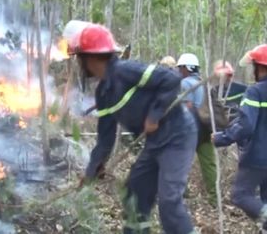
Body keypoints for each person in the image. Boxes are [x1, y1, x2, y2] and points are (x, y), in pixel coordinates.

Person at [64, 22, 199, 234]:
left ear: (89, 57)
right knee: (134, 196)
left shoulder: (125, 71)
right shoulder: (104, 93)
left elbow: (171, 79)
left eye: (80, 58)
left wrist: (154, 115)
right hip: (155, 143)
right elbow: (105, 140)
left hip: (178, 135)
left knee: (169, 200)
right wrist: (91, 170)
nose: (80, 64)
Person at [212, 44, 267, 234]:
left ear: (260, 67)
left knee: (240, 195)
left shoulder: (255, 92)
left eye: (254, 67)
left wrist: (221, 138)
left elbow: (246, 125)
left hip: (257, 157)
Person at [177, 53, 217, 206]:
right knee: (209, 165)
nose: (179, 72)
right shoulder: (205, 83)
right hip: (206, 130)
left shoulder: (184, 84)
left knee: (180, 163)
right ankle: (214, 199)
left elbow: (183, 108)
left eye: (180, 68)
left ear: (186, 68)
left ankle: (183, 194)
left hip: (188, 131)